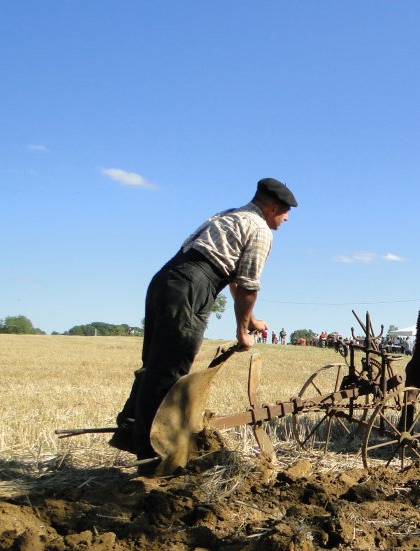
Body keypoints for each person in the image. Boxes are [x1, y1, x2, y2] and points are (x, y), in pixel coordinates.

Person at [110, 177, 298, 464]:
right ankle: (153, 456)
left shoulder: (230, 216)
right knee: (170, 372)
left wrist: (252, 320)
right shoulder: (260, 230)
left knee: (154, 363)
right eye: (286, 213)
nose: (286, 220)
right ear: (273, 208)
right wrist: (241, 332)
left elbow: (233, 278)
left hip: (166, 280)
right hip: (193, 287)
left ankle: (131, 429)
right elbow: (248, 284)